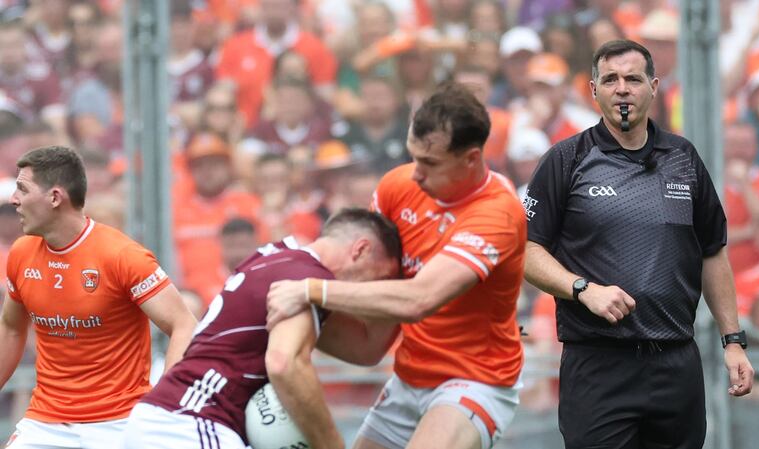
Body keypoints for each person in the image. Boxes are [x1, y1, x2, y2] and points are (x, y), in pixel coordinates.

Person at [522, 39, 755, 449]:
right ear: (593, 91)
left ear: (654, 86)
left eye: (632, 78)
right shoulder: (566, 160)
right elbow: (525, 249)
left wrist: (733, 341)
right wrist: (583, 289)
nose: (622, 88)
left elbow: (713, 250)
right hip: (598, 364)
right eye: (610, 79)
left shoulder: (683, 157)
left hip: (675, 362)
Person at [267, 83, 527, 449]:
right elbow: (366, 314)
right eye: (413, 157)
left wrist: (310, 290)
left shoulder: (497, 212)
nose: (415, 174)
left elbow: (421, 298)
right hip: (408, 377)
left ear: (470, 158)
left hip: (476, 379)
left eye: (430, 163)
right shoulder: (398, 184)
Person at [122, 208, 403, 449]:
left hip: (168, 422)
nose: (370, 293)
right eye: (379, 279)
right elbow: (284, 364)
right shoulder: (305, 275)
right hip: (191, 425)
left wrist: (406, 279)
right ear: (361, 249)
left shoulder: (279, 258)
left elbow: (366, 350)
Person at [0, 146, 197, 448]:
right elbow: (12, 328)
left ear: (54, 198)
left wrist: (165, 406)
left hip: (119, 423)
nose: (14, 199)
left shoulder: (123, 256)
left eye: (22, 189)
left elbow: (184, 324)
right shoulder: (21, 254)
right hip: (46, 421)